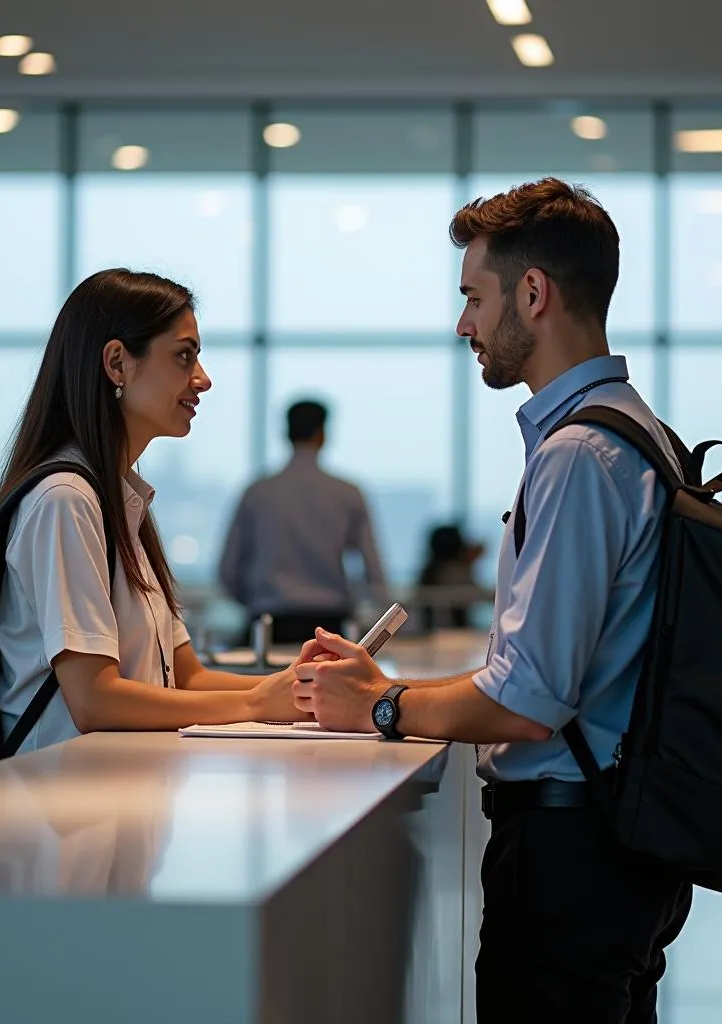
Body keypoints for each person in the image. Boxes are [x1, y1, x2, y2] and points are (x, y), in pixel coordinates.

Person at [292, 179, 693, 1023]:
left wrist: (382, 707)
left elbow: (530, 699)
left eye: (474, 296)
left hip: (571, 847)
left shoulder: (581, 454)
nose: (464, 325)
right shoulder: (634, 430)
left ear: (534, 293)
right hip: (619, 837)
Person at [0, 269, 305, 752]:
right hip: (59, 805)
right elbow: (95, 701)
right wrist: (258, 705)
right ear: (117, 364)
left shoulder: (119, 501)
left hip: (118, 792)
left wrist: (299, 688)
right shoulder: (65, 500)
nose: (202, 379)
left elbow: (186, 679)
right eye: (184, 356)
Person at [218, 399, 387, 645]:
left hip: (269, 622)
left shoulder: (257, 492)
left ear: (286, 434)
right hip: (329, 626)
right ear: (322, 435)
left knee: (261, 683)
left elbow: (228, 569)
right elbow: (373, 568)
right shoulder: (347, 492)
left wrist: (254, 599)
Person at [417, 524, 486, 630]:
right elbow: (481, 596)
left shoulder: (430, 572)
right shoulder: (455, 572)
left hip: (434, 635)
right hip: (454, 635)